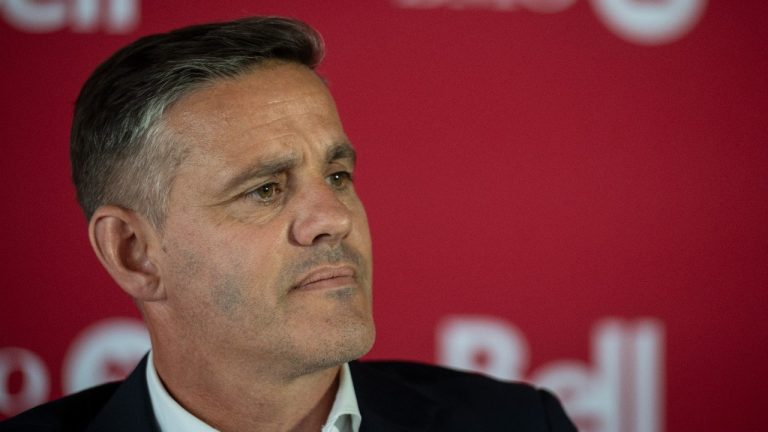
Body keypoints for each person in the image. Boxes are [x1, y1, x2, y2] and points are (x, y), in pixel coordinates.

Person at [1, 17, 577, 431]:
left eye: (337, 176)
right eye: (265, 190)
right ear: (134, 253)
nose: (332, 219)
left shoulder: (521, 422)